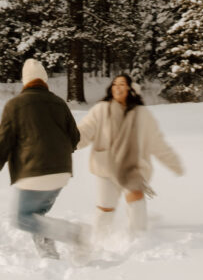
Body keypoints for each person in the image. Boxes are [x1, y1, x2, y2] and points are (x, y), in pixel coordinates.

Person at [0, 58, 84, 259]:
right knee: (39, 218)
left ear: (25, 81)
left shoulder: (15, 105)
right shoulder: (59, 103)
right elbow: (75, 138)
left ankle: (73, 234)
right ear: (44, 81)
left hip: (34, 172)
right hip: (61, 173)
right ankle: (49, 256)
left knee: (23, 218)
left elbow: (3, 144)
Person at [77, 73, 184, 238]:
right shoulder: (101, 109)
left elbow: (157, 142)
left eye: (121, 84)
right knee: (106, 206)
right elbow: (85, 131)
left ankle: (138, 238)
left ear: (131, 89)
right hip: (106, 167)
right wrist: (69, 140)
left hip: (133, 167)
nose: (117, 87)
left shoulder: (142, 114)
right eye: (114, 84)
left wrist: (174, 163)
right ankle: (99, 240)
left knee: (136, 198)